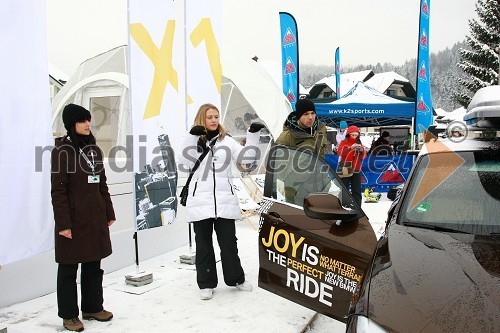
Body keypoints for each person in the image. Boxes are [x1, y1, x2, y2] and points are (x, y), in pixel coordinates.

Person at [178, 103, 264, 301]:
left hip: (224, 201)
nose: (214, 120)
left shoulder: (227, 141)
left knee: (228, 244)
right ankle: (206, 283)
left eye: (216, 116)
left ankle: (236, 279)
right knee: (204, 245)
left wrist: (252, 137)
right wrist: (192, 136)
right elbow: (184, 161)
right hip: (201, 202)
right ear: (202, 119)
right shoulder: (192, 141)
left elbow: (246, 159)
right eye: (209, 117)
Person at [51, 104, 115, 332]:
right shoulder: (62, 151)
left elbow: (102, 184)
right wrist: (63, 224)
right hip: (73, 220)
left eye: (89, 120)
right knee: (69, 269)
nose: (88, 124)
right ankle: (69, 315)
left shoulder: (94, 150)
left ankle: (92, 307)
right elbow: (58, 191)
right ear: (71, 125)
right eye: (82, 121)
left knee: (93, 264)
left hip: (94, 217)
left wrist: (108, 211)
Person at [338, 125, 367, 208]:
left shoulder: (359, 142)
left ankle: (358, 208)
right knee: (344, 189)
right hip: (345, 167)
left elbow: (364, 156)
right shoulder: (344, 142)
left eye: (356, 135)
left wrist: (362, 151)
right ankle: (343, 206)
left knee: (357, 190)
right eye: (352, 135)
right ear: (348, 134)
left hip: (357, 168)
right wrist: (350, 148)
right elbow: (340, 152)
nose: (354, 137)